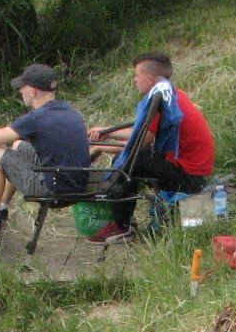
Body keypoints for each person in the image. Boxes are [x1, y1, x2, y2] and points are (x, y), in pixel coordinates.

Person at [84, 52, 215, 245]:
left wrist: (104, 144)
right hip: (191, 169)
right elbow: (141, 135)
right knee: (130, 157)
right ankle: (124, 223)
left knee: (130, 162)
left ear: (150, 78)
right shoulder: (172, 94)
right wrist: (107, 134)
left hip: (188, 175)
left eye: (137, 75)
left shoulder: (158, 99)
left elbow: (142, 141)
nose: (135, 80)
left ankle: (122, 227)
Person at [0, 64, 92, 234]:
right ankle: (1, 206)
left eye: (22, 87)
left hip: (54, 188)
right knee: (17, 145)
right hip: (75, 183)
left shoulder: (35, 118)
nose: (20, 91)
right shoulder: (69, 110)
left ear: (33, 91)